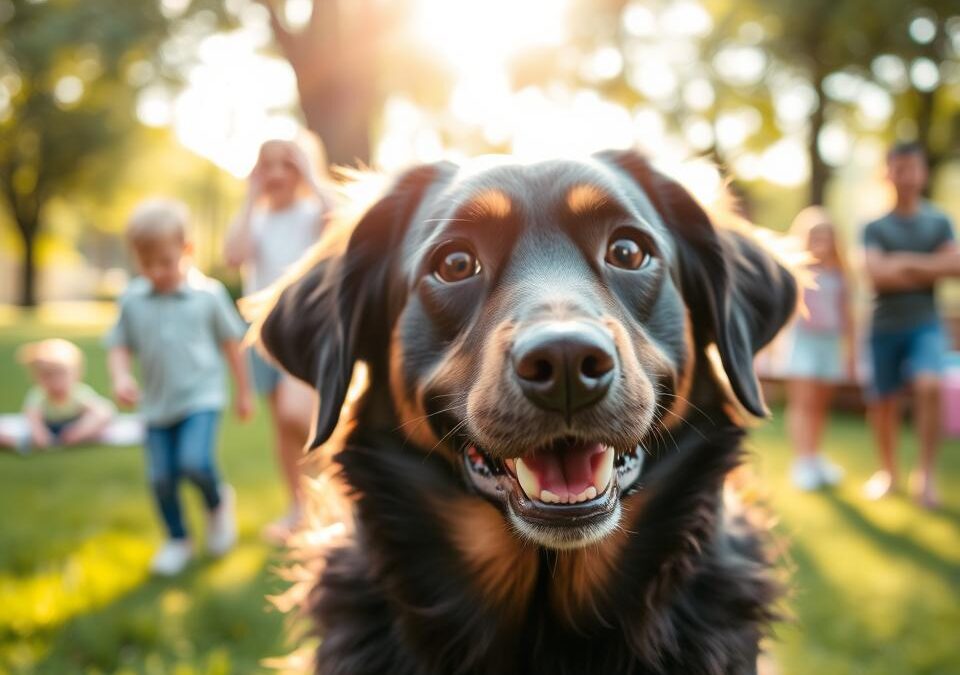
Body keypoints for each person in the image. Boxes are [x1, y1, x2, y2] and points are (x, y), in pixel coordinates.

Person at [106, 198, 253, 575]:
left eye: (166, 262)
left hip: (201, 398)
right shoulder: (133, 299)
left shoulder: (208, 295)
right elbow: (119, 345)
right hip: (156, 404)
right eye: (146, 264)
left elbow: (232, 346)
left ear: (187, 250)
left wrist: (244, 392)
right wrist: (122, 377)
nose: (157, 272)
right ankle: (178, 539)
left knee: (195, 463)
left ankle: (217, 503)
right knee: (161, 479)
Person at [223, 137, 337, 542]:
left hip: (305, 329)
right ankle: (298, 507)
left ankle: (334, 500)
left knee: (297, 414)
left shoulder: (312, 213)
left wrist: (311, 175)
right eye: (266, 166)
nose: (275, 175)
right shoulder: (255, 219)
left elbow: (343, 221)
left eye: (285, 165)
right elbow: (233, 256)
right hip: (262, 334)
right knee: (282, 429)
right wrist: (250, 196)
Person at [862, 141, 960, 508]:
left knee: (929, 385)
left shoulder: (939, 222)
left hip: (926, 324)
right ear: (888, 173)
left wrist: (900, 263)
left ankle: (926, 475)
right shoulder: (873, 226)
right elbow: (876, 276)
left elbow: (956, 267)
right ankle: (888, 472)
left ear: (923, 172)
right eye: (898, 168)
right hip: (883, 325)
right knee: (883, 401)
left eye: (912, 167)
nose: (906, 175)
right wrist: (927, 266)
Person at [784, 207, 854, 490]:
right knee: (803, 403)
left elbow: (848, 314)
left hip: (829, 344)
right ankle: (802, 461)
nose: (821, 241)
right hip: (803, 344)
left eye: (826, 235)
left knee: (820, 405)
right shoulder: (796, 273)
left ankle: (814, 457)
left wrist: (852, 350)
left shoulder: (839, 275)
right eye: (815, 236)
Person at [0, 339, 114, 453]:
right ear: (36, 377)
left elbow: (102, 412)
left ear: (76, 373)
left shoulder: (79, 393)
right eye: (47, 376)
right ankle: (18, 443)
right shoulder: (39, 396)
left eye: (61, 374)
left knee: (101, 424)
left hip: (73, 428)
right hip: (47, 430)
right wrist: (40, 435)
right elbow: (33, 417)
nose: (56, 382)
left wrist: (79, 431)